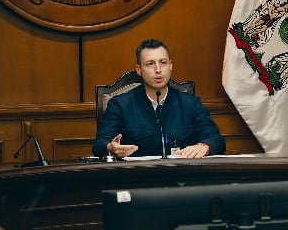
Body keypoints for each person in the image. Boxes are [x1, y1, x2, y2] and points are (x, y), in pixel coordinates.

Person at [93, 39, 224, 159]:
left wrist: (204, 146)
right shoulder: (119, 105)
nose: (158, 70)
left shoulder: (191, 104)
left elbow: (216, 139)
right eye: (150, 64)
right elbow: (99, 145)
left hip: (181, 179)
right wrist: (110, 148)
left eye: (163, 62)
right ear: (139, 70)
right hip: (137, 179)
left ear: (170, 65)